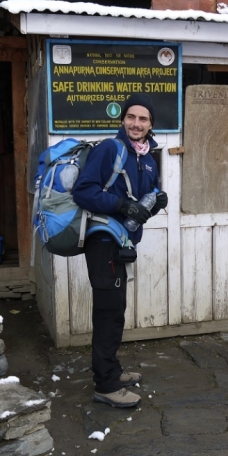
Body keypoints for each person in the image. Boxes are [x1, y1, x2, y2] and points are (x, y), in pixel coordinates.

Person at [72, 93, 168, 408]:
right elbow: (83, 191)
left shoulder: (149, 159)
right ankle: (106, 385)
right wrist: (120, 203)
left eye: (143, 119)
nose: (136, 124)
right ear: (123, 119)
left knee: (116, 310)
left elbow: (138, 210)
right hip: (103, 244)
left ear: (151, 124)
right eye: (131, 117)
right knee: (109, 313)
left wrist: (153, 206)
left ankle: (111, 370)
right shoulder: (108, 150)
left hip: (123, 244)